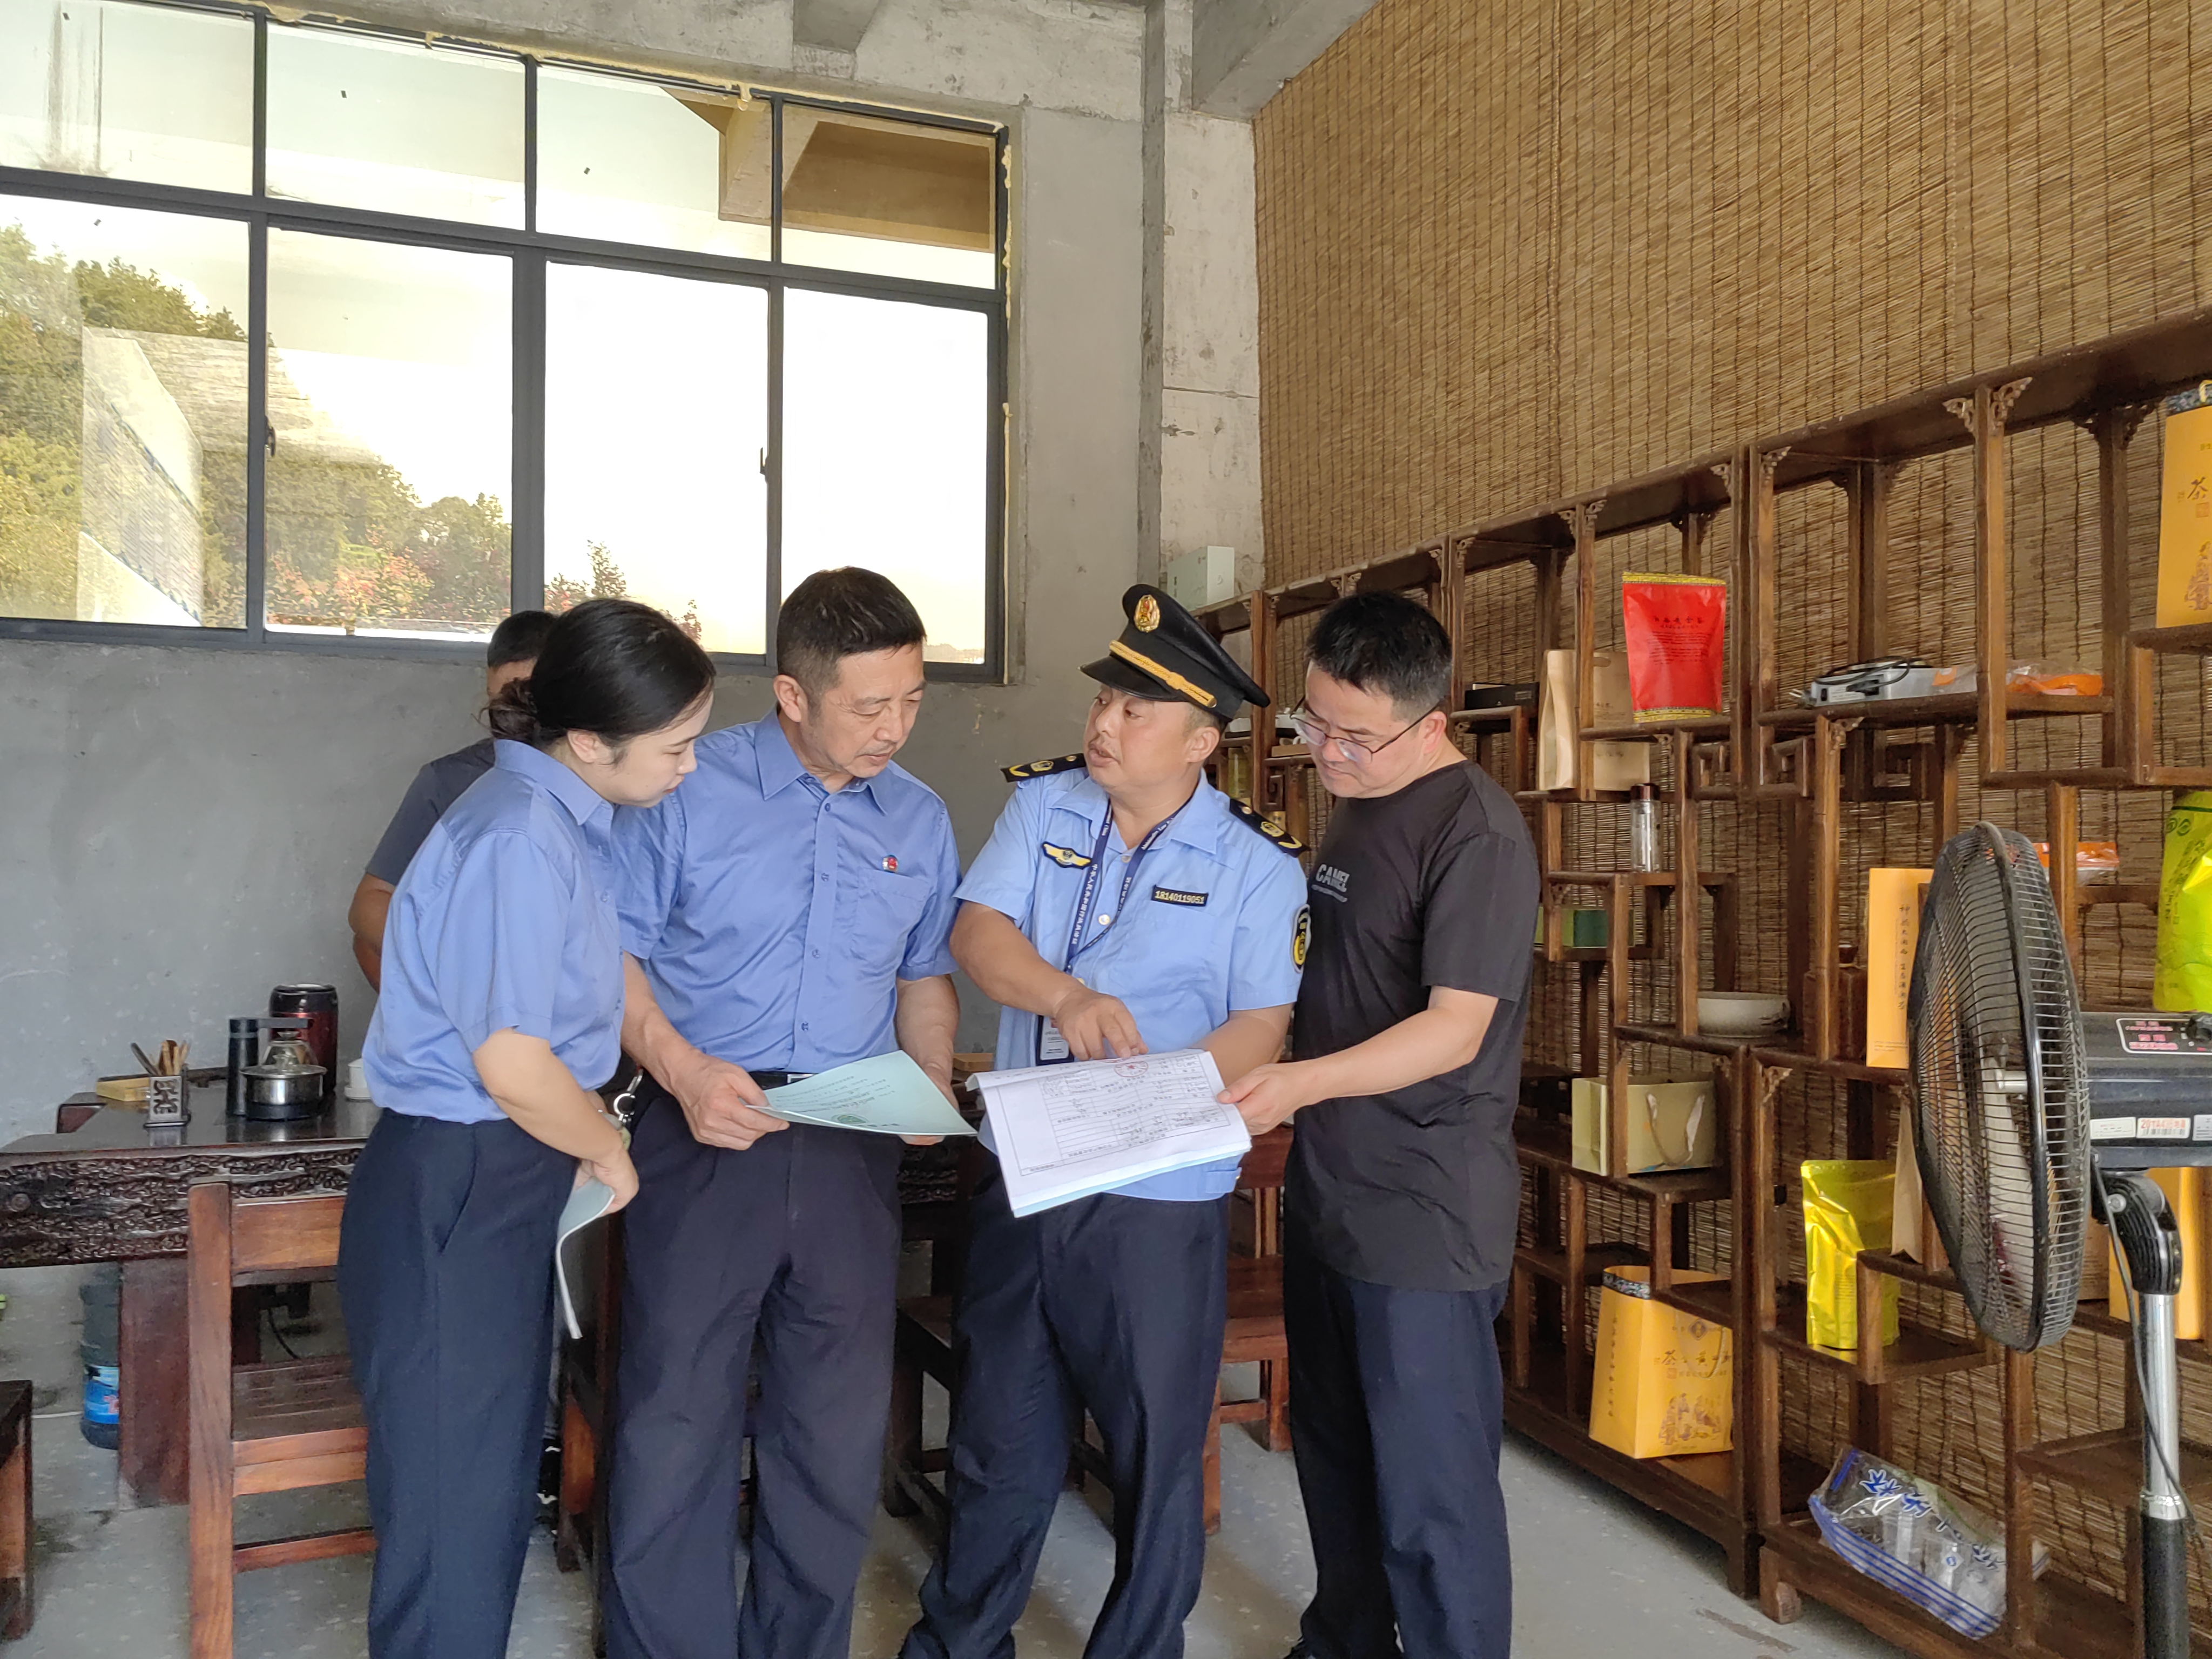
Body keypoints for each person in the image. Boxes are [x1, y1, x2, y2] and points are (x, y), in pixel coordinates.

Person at [900, 584, 1309, 1659]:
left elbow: (1263, 1022)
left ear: (1201, 742)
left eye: (1135, 709)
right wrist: (1063, 997)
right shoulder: (1045, 809)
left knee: (1154, 1451)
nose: (1103, 724)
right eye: (1102, 701)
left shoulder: (1257, 868)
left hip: (1154, 1199)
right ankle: (956, 1644)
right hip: (1028, 1176)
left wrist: (1156, 1101)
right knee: (997, 1434)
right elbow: (976, 931)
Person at [338, 599, 716, 1659]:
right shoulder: (516, 839)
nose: (690, 766)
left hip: (496, 1177)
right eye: (676, 746)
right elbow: (510, 1061)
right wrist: (604, 1141)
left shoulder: (551, 823)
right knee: (453, 1505)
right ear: (590, 740)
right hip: (461, 1176)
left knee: (486, 1483)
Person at [603, 567, 963, 1659]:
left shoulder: (919, 816)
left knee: (832, 1428)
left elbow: (925, 973)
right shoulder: (687, 786)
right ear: (794, 695)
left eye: (911, 701)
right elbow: (609, 956)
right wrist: (681, 1072)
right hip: (706, 1125)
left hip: (852, 1141)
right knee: (677, 1414)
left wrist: (930, 1078)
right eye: (870, 705)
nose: (894, 728)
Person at [1219, 591, 1539, 1659]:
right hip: (1333, 1193)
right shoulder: (1357, 798)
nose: (1327, 753)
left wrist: (1299, 1084)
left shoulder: (1475, 834)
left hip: (1422, 1211)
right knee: (1336, 1454)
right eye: (1313, 724)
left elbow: (1454, 1028)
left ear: (1430, 724)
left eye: (1354, 736)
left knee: (1430, 1494)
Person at [349, 609, 558, 988]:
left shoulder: (609, 784)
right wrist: (450, 975)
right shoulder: (450, 781)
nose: (510, 719)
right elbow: (371, 904)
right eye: (499, 703)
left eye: (526, 701)